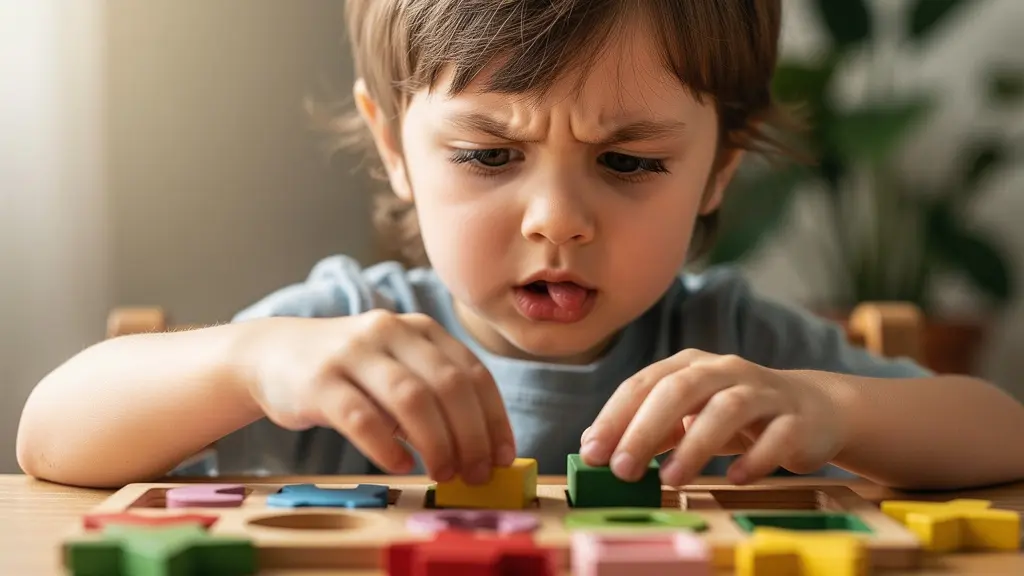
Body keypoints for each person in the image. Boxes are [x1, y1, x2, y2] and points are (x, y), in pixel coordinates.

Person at [16, 0, 1024, 491]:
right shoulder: (341, 339)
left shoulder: (731, 348)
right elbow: (49, 437)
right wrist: (248, 361)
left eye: (628, 164)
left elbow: (999, 433)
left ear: (720, 168)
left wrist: (828, 403)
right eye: (489, 155)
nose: (557, 220)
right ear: (393, 148)